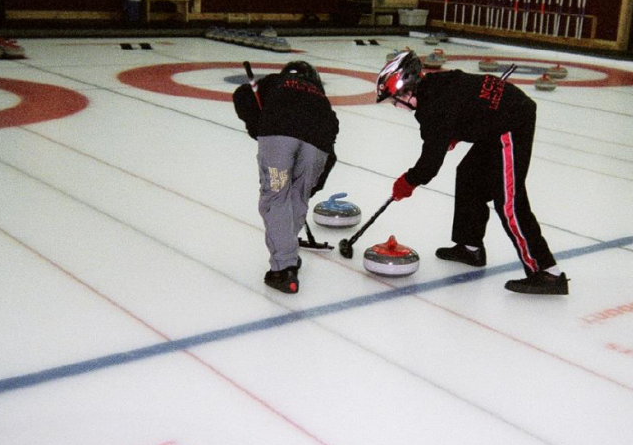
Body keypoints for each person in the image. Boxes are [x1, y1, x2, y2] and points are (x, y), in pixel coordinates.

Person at [375, 51, 568, 295]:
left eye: (395, 100)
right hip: (494, 124)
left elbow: (430, 164)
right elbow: (466, 104)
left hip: (511, 123)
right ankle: (470, 247)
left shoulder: (432, 108)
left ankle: (548, 272)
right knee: (469, 175)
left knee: (509, 202)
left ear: (407, 91)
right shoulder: (436, 85)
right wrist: (454, 131)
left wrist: (408, 182)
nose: (395, 105)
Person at [233, 61, 339, 294]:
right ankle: (287, 252)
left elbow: (241, 95)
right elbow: (331, 145)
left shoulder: (275, 81)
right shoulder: (320, 96)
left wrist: (257, 126)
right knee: (297, 198)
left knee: (276, 198)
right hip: (317, 144)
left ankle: (284, 268)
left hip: (279, 138)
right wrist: (311, 186)